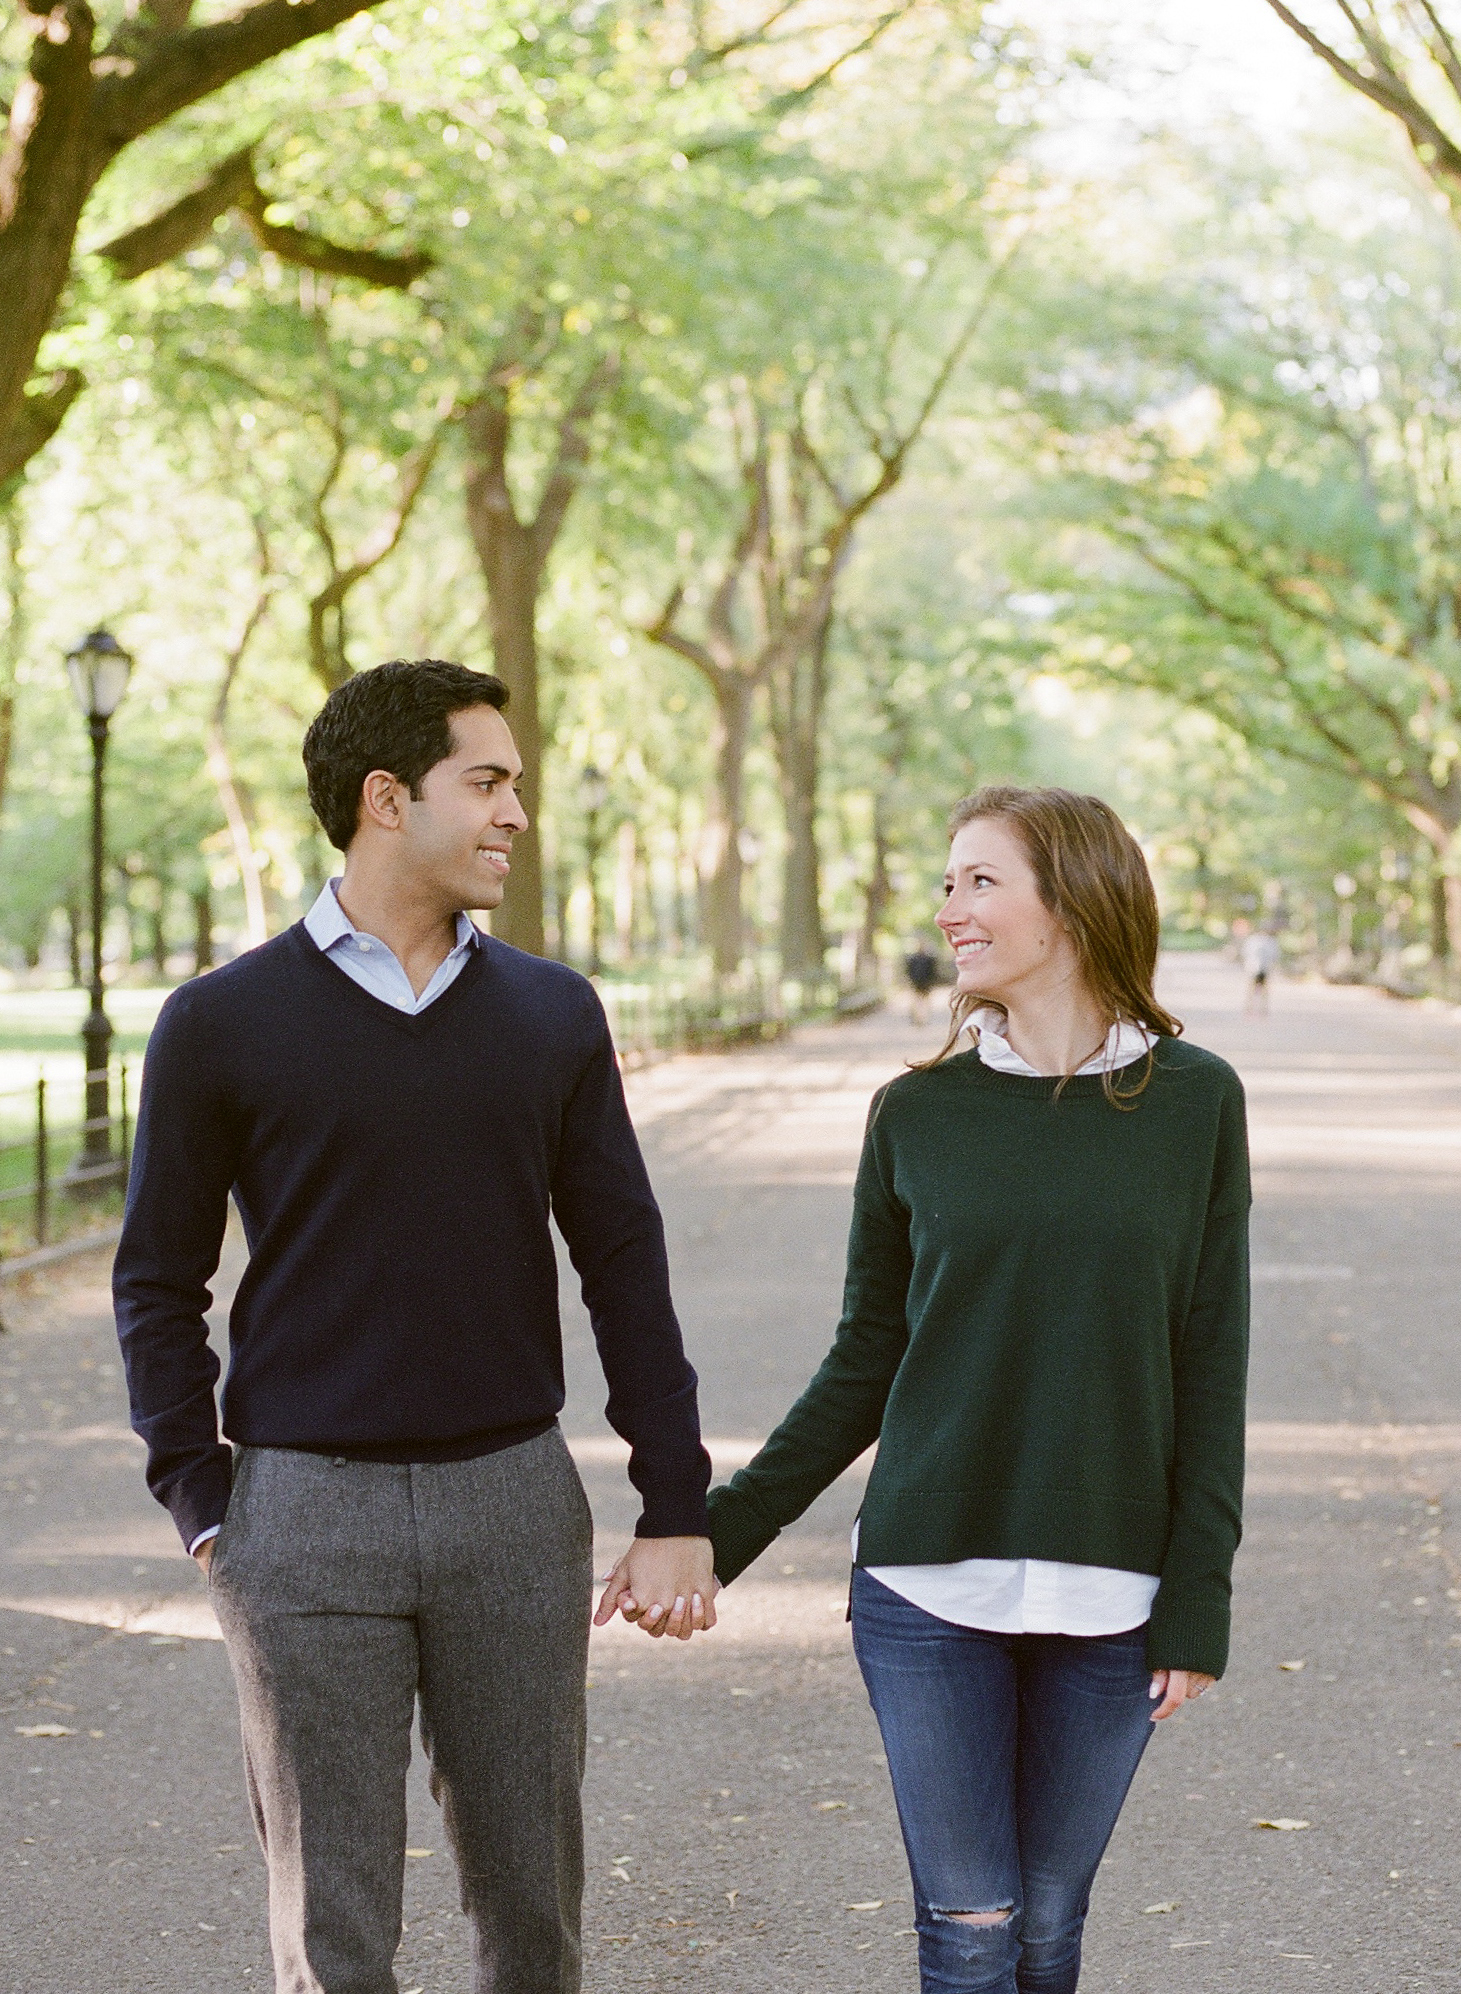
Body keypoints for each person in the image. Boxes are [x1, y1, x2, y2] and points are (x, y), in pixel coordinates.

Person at [114, 659, 716, 1994]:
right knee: (331, 1936)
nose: (514, 813)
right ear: (388, 798)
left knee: (532, 1921)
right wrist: (201, 1495)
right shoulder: (218, 1022)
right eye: (487, 782)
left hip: (512, 1498)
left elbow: (621, 1256)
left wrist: (675, 1497)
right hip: (300, 1514)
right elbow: (157, 1278)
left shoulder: (551, 1014)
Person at [704, 784, 1249, 1994]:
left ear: (1072, 897)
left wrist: (1199, 1591)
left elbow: (1213, 1358)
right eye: (947, 882)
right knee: (968, 1928)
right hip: (925, 1584)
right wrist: (719, 1527)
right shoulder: (916, 1110)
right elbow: (867, 1356)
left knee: (1049, 1930)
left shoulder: (1197, 1100)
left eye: (979, 880)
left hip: (1116, 1589)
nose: (949, 908)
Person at [1241, 924, 1281, 1014]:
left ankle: (1263, 1007)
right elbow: (1246, 953)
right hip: (1254, 968)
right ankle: (1249, 1007)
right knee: (1251, 988)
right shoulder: (1253, 940)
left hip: (1264, 968)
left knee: (1264, 989)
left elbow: (1275, 955)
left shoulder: (1270, 941)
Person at [903, 936, 939, 1024]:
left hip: (925, 983)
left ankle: (923, 1018)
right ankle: (917, 1018)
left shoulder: (928, 959)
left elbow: (933, 971)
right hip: (917, 982)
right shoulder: (913, 959)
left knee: (923, 1001)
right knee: (917, 1001)